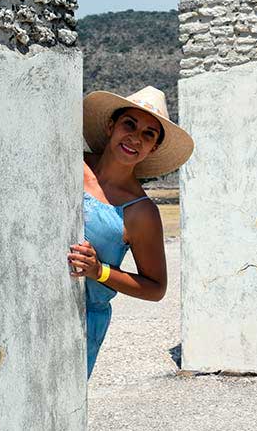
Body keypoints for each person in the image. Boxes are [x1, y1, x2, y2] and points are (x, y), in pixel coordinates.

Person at [68, 86, 194, 378]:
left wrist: (99, 271)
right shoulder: (70, 163)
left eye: (149, 134)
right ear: (111, 126)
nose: (136, 137)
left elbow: (155, 287)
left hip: (81, 320)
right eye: (130, 124)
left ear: (153, 148)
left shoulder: (141, 212)